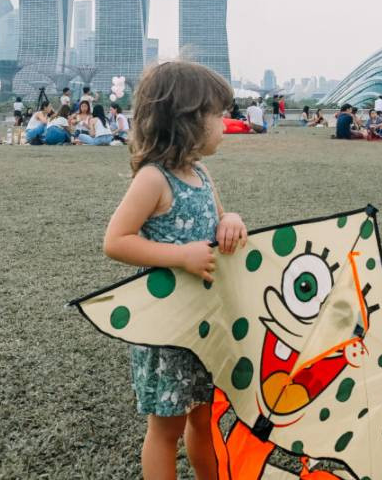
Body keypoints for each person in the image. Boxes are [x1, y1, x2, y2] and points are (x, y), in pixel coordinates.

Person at [101, 61, 248, 479]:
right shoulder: (153, 179)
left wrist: (231, 219)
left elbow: (219, 219)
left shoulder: (201, 173)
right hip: (167, 329)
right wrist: (181, 256)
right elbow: (116, 240)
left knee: (204, 420)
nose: (226, 123)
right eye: (218, 114)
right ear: (186, 120)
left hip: (205, 324)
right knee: (165, 429)